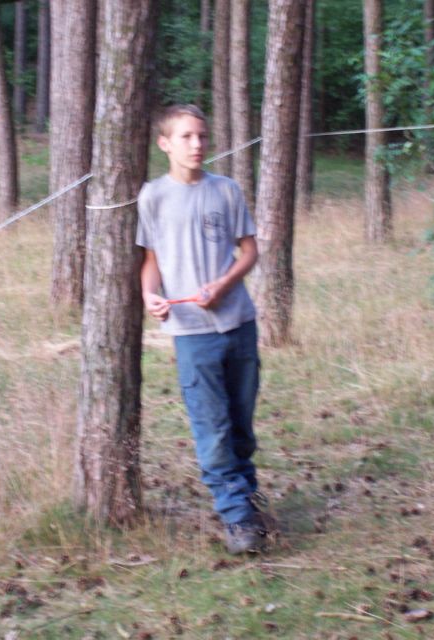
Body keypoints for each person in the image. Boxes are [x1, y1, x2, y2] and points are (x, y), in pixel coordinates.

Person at [136, 104, 266, 554]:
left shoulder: (226, 190)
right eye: (186, 137)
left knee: (241, 426)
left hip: (239, 324)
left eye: (202, 136)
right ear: (165, 144)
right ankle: (237, 519)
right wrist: (149, 296)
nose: (197, 144)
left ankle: (248, 498)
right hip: (191, 333)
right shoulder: (152, 196)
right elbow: (151, 261)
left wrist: (223, 284)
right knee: (213, 428)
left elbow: (249, 251)